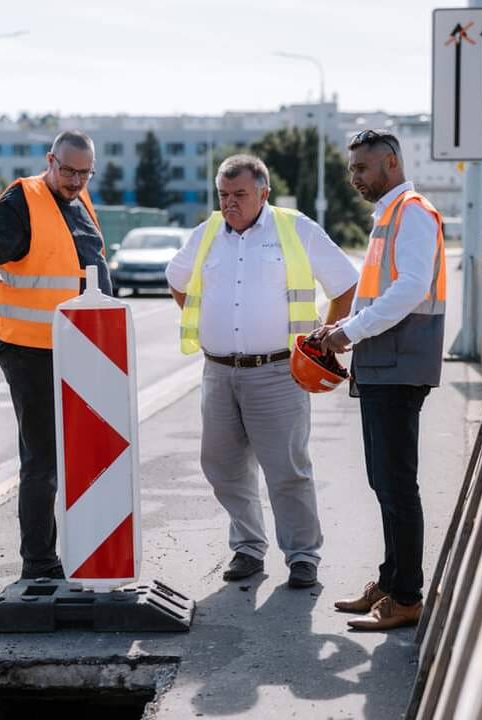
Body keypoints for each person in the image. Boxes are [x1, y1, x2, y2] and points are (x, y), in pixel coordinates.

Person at [166, 154, 358, 589]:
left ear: (263, 193)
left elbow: (346, 285)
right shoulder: (208, 233)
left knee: (287, 469)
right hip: (218, 371)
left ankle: (303, 555)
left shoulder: (296, 228)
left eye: (239, 195)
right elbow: (177, 280)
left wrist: (324, 338)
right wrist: (205, 317)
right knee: (222, 465)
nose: (229, 204)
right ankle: (249, 548)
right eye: (223, 196)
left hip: (277, 372)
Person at [313, 129, 447, 630]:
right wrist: (344, 328)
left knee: (396, 483)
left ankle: (407, 597)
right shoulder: (389, 215)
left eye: (361, 169)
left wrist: (349, 330)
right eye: (351, 170)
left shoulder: (411, 211)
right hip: (383, 362)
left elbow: (410, 288)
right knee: (383, 481)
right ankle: (390, 582)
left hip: (399, 363)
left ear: (390, 163)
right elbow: (377, 293)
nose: (354, 179)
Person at [0, 130, 111, 580]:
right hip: (29, 349)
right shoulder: (23, 199)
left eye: (84, 173)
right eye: (67, 170)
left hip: (79, 348)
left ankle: (84, 551)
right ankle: (39, 563)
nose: (74, 180)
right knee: (43, 459)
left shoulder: (81, 203)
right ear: (50, 160)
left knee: (84, 453)